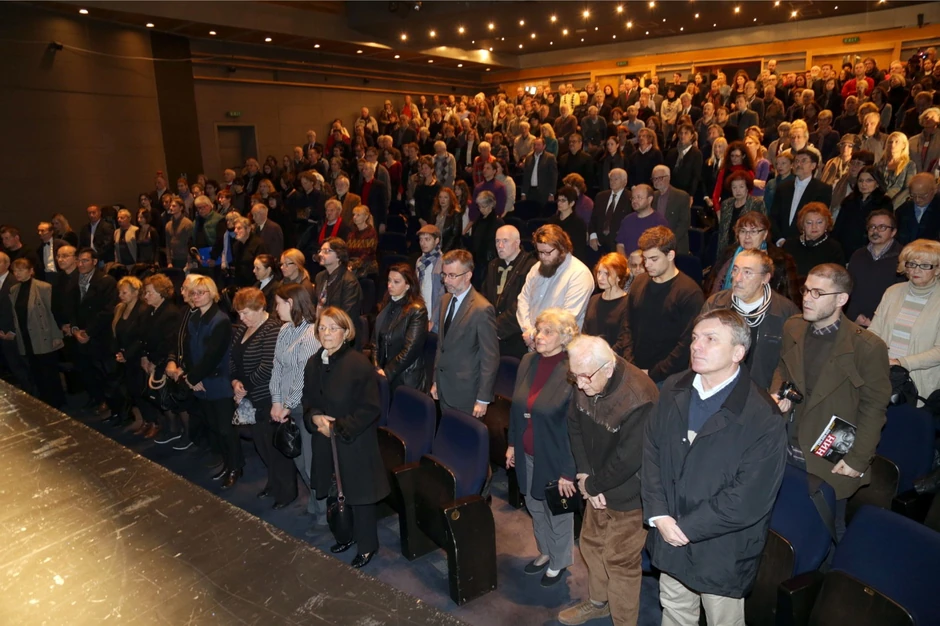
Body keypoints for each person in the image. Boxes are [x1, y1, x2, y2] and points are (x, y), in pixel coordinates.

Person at [643, 309, 786, 626]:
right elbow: (651, 452)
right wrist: (659, 515)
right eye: (695, 338)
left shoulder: (763, 417)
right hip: (670, 533)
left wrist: (684, 528)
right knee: (675, 611)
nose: (697, 346)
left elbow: (749, 498)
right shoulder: (672, 389)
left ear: (738, 353)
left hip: (723, 549)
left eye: (710, 339)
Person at [771, 263, 891, 540]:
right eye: (806, 289)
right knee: (782, 523)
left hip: (832, 453)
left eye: (817, 293)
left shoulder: (868, 347)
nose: (807, 298)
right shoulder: (794, 327)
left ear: (841, 299)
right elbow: (782, 369)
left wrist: (858, 460)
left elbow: (874, 408)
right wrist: (781, 391)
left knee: (826, 529)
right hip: (787, 441)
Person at [556, 335, 658, 626]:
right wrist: (587, 476)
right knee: (591, 544)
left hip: (631, 492)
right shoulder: (584, 377)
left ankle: (624, 622)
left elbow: (629, 459)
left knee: (620, 561)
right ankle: (598, 603)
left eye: (585, 377)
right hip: (597, 480)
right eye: (574, 376)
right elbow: (574, 425)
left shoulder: (640, 397)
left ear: (608, 369)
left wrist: (593, 485)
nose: (580, 385)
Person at [304, 306, 389, 569]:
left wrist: (338, 428)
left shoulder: (358, 364)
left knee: (359, 497)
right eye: (322, 328)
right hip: (324, 439)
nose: (326, 333)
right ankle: (345, 534)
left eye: (333, 328)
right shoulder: (314, 361)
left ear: (346, 332)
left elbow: (370, 409)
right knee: (335, 492)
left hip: (354, 442)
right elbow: (309, 400)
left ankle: (367, 546)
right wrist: (315, 417)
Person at [506, 308, 578, 587]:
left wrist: (568, 472)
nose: (540, 336)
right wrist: (512, 443)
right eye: (539, 330)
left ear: (564, 338)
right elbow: (516, 407)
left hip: (556, 455)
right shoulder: (527, 361)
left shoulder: (572, 369)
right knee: (534, 504)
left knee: (556, 510)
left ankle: (559, 561)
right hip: (526, 451)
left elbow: (575, 427)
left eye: (548, 332)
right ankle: (545, 551)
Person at [230, 287, 295, 508]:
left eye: (246, 312)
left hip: (268, 397)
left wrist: (244, 387)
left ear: (260, 308)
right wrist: (235, 382)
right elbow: (233, 358)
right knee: (262, 445)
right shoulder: (242, 328)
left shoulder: (272, 329)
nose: (242, 317)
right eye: (239, 313)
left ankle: (287, 491)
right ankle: (273, 483)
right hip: (251, 398)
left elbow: (268, 366)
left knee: (275, 447)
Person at [702, 249, 800, 389]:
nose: (737, 278)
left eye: (747, 272)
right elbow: (700, 348)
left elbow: (791, 362)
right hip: (718, 388)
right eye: (735, 270)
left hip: (762, 393)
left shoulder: (785, 312)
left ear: (765, 278)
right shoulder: (716, 304)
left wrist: (779, 390)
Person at [622, 227, 705, 384]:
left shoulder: (689, 293)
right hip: (634, 370)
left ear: (670, 255)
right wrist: (631, 364)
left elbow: (686, 344)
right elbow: (627, 326)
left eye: (654, 259)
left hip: (667, 379)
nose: (647, 265)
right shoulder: (639, 282)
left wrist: (653, 373)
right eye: (645, 259)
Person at [269, 283, 322, 523]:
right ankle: (315, 506)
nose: (276, 308)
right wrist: (276, 401)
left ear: (291, 303)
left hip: (304, 406)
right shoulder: (285, 330)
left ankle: (324, 515)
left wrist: (287, 404)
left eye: (278, 303)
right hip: (289, 406)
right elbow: (277, 368)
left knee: (311, 464)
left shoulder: (311, 334)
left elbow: (302, 375)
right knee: (299, 459)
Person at [179, 276, 239, 488]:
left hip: (217, 382)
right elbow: (187, 350)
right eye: (194, 293)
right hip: (200, 382)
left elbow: (213, 356)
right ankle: (227, 462)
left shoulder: (220, 320)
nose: (196, 296)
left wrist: (193, 377)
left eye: (201, 292)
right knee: (214, 426)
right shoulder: (194, 318)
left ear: (213, 294)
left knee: (225, 428)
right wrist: (190, 376)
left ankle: (235, 466)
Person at [869, 239, 940, 407]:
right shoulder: (892, 292)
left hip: (920, 386)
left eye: (925, 265)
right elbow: (873, 331)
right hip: (883, 376)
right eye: (912, 264)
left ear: (937, 269)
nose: (916, 270)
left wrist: (901, 363)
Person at [430, 249, 499, 418]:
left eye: (452, 275)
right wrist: (435, 380)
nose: (446, 280)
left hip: (466, 393)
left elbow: (490, 357)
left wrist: (483, 399)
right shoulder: (445, 300)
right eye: (444, 275)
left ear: (468, 276)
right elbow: (441, 346)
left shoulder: (482, 309)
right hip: (444, 386)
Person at [517, 225, 595, 350]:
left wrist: (535, 335)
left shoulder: (579, 274)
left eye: (547, 252)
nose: (542, 257)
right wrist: (528, 331)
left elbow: (568, 318)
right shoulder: (536, 268)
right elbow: (523, 300)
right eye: (540, 252)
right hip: (533, 344)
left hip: (562, 351)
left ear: (562, 248)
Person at [8, 258, 64, 408]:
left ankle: (56, 403)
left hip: (44, 335)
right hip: (26, 337)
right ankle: (44, 402)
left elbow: (52, 312)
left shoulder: (43, 287)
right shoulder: (14, 290)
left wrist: (56, 335)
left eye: (21, 270)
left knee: (49, 372)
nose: (17, 273)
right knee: (35, 371)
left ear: (31, 271)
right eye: (15, 271)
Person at [67, 247, 117, 415]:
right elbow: (71, 308)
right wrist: (75, 330)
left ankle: (107, 402)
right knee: (86, 371)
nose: (80, 264)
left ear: (94, 262)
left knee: (103, 372)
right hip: (79, 334)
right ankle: (95, 398)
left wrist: (88, 332)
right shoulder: (74, 280)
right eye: (78, 261)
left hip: (98, 335)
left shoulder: (106, 281)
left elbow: (107, 311)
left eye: (85, 260)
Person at [138, 274, 185, 443]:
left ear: (161, 293)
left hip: (162, 361)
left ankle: (175, 430)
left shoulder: (170, 313)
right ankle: (169, 428)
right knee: (157, 398)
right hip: (151, 360)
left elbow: (168, 342)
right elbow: (142, 336)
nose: (146, 296)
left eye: (150, 292)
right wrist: (144, 356)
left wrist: (154, 362)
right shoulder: (150, 311)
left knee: (166, 399)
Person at [482, 225, 536, 359]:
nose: (500, 245)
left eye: (505, 241)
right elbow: (484, 297)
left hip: (516, 335)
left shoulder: (531, 266)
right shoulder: (493, 265)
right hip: (492, 333)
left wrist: (496, 328)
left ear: (517, 243)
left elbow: (522, 304)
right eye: (497, 241)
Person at [373, 263, 429, 393]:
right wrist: (376, 367)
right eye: (389, 280)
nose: (390, 285)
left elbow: (409, 350)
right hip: (384, 373)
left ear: (408, 285)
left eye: (396, 282)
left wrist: (386, 373)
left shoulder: (417, 310)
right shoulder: (388, 303)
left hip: (406, 378)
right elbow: (375, 341)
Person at [846, 210, 904, 327]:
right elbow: (848, 287)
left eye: (882, 227)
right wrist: (853, 315)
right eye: (872, 227)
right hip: (854, 321)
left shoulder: (903, 257)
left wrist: (876, 321)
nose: (875, 231)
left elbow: (901, 296)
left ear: (893, 232)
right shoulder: (858, 255)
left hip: (885, 323)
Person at [108, 276, 150, 428]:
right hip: (124, 357)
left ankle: (151, 421)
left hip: (137, 357)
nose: (120, 295)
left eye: (124, 292)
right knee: (131, 390)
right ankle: (142, 420)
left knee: (141, 391)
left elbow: (141, 337)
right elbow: (114, 332)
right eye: (120, 292)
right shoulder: (120, 308)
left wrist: (127, 354)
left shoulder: (143, 310)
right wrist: (118, 353)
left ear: (135, 292)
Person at [770, 149, 833, 245]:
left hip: (806, 244)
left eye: (803, 161)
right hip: (780, 244)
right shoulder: (783, 188)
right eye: (796, 161)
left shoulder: (823, 189)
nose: (798, 164)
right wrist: (779, 239)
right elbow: (773, 216)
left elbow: (819, 219)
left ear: (813, 165)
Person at [832, 165, 893, 259]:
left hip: (869, 249)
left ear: (877, 183)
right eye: (861, 181)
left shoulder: (884, 202)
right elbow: (838, 227)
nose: (864, 184)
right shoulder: (849, 201)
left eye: (869, 180)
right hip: (844, 249)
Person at [582, 252, 630, 355]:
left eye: (606, 274)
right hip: (590, 358)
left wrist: (603, 358)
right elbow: (585, 332)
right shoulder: (594, 299)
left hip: (614, 360)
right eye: (599, 272)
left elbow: (623, 340)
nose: (600, 278)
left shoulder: (627, 303)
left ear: (619, 276)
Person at [784, 203, 846, 280]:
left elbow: (838, 278)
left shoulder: (834, 248)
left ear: (827, 224)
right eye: (809, 222)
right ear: (802, 225)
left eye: (819, 222)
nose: (814, 227)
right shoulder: (789, 245)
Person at [715, 171, 767, 255]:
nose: (737, 191)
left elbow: (763, 229)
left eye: (741, 187)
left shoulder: (757, 204)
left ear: (747, 188)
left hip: (747, 250)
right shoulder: (726, 204)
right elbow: (722, 232)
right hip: (726, 250)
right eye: (734, 187)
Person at [314, 237, 362, 321]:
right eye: (320, 251)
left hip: (340, 327)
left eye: (326, 251)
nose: (320, 254)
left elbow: (347, 315)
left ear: (339, 256)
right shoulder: (319, 277)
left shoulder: (349, 281)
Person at [615, 184, 669, 257]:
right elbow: (620, 245)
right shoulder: (627, 220)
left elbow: (662, 250)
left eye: (639, 197)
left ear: (649, 199)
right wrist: (625, 264)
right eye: (633, 198)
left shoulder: (659, 222)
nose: (634, 201)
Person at [650, 165, 693, 255]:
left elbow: (684, 223)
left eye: (660, 178)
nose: (656, 181)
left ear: (668, 178)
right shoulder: (652, 196)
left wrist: (669, 242)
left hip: (676, 246)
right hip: (655, 245)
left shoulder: (681, 196)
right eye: (654, 179)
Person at [589, 168, 632, 254]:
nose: (612, 181)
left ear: (625, 181)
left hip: (618, 243)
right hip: (599, 243)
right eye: (611, 179)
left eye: (616, 179)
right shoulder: (601, 196)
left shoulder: (630, 198)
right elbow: (593, 219)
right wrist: (592, 236)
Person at [468, 191, 504, 281]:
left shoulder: (497, 222)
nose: (481, 209)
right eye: (479, 206)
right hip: (478, 259)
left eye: (483, 207)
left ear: (491, 205)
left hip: (489, 261)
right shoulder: (479, 220)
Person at [876, 131, 918, 210]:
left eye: (896, 142)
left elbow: (907, 188)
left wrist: (892, 203)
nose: (892, 145)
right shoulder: (880, 164)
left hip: (899, 204)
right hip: (879, 202)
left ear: (903, 145)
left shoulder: (910, 165)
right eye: (890, 142)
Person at [896, 173, 940, 245]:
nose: (917, 199)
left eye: (922, 196)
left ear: (934, 190)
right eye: (913, 195)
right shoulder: (903, 210)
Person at [415, 225, 444, 333]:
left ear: (436, 240)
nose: (423, 243)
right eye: (421, 240)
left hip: (434, 315)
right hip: (422, 310)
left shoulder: (442, 262)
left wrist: (433, 319)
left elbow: (443, 294)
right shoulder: (419, 261)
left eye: (427, 239)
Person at [550, 186, 589, 263]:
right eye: (558, 200)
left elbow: (579, 250)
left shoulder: (579, 224)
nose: (559, 203)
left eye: (563, 201)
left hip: (571, 261)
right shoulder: (552, 220)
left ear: (572, 203)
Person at [520, 137, 558, 208]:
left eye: (538, 145)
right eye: (535, 145)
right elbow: (525, 177)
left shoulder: (550, 158)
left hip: (544, 192)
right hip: (530, 192)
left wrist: (552, 194)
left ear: (544, 146)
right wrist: (523, 193)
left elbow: (553, 177)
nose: (536, 147)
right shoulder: (528, 158)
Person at [346, 205, 378, 279]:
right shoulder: (352, 234)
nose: (354, 217)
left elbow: (367, 254)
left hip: (367, 266)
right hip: (353, 265)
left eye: (358, 215)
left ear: (366, 217)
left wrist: (353, 265)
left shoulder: (371, 233)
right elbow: (347, 252)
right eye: (354, 215)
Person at [164, 196, 194, 269]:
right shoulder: (168, 225)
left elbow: (190, 244)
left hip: (184, 258)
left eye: (174, 206)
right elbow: (168, 244)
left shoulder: (187, 223)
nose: (171, 208)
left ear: (181, 208)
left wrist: (189, 261)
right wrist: (169, 261)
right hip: (173, 258)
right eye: (170, 206)